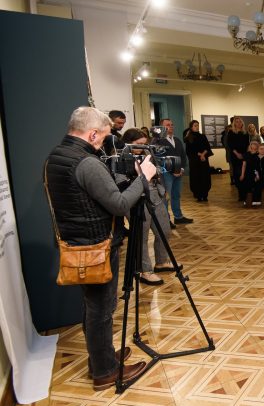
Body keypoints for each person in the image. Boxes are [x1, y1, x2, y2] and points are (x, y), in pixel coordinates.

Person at [45, 106, 156, 390]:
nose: (105, 142)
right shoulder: (87, 163)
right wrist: (143, 178)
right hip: (97, 246)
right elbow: (119, 204)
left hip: (78, 243)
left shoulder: (56, 156)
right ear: (92, 133)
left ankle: (101, 359)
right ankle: (105, 371)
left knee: (93, 306)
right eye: (104, 136)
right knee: (102, 309)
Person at [121, 128, 168, 286]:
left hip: (155, 194)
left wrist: (161, 188)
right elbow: (121, 182)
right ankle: (145, 271)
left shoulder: (148, 152)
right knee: (141, 236)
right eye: (138, 144)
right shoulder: (121, 157)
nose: (142, 147)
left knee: (164, 230)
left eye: (144, 143)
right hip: (135, 197)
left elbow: (157, 170)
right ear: (128, 143)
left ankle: (162, 261)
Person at [152, 118, 193, 225]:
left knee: (176, 195)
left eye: (172, 124)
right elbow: (157, 158)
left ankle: (178, 217)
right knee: (165, 197)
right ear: (161, 127)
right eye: (168, 125)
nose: (171, 126)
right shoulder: (157, 140)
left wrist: (181, 169)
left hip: (178, 173)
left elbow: (183, 156)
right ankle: (166, 220)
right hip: (166, 174)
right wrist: (171, 171)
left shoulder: (177, 140)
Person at [184, 119, 212, 202]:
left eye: (198, 125)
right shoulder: (189, 138)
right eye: (195, 126)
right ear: (191, 127)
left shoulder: (202, 136)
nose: (197, 127)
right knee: (196, 177)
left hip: (203, 160)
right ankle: (198, 195)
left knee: (205, 176)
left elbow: (207, 147)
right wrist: (200, 154)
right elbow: (189, 150)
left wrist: (203, 154)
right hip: (195, 161)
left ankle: (205, 195)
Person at [226, 116, 250, 203]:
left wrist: (245, 154)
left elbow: (248, 144)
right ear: (234, 124)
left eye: (240, 122)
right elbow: (230, 145)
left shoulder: (245, 133)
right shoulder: (231, 132)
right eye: (237, 122)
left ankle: (245, 193)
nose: (239, 123)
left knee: (245, 174)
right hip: (235, 156)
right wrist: (237, 154)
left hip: (244, 155)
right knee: (237, 174)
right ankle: (240, 193)